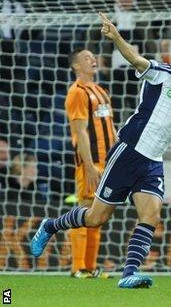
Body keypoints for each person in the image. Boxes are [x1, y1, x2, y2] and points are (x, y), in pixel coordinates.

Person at [30, 12, 171, 289]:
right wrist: (115, 36)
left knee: (151, 215)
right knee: (96, 217)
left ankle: (129, 274)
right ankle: (50, 226)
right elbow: (135, 59)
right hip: (129, 153)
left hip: (153, 161)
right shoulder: (161, 74)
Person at [64, 48, 117, 279]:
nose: (93, 59)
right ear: (75, 66)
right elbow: (80, 133)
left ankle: (91, 266)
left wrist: (116, 158)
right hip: (91, 164)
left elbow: (111, 129)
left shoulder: (100, 91)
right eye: (87, 58)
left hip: (107, 162)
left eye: (94, 57)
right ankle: (78, 267)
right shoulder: (76, 92)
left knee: (98, 215)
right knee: (85, 210)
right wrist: (89, 165)